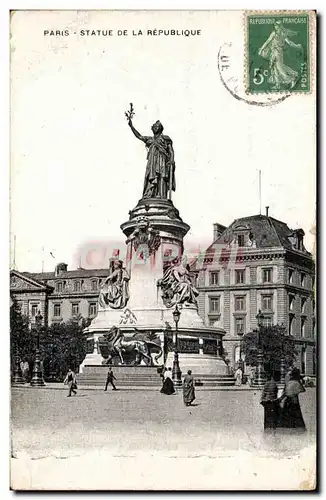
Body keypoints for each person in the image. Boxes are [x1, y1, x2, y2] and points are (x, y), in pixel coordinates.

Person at [127, 116, 176, 199]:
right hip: (152, 162)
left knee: (162, 176)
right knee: (151, 177)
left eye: (157, 126)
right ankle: (151, 194)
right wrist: (131, 126)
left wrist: (171, 160)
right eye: (154, 127)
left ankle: (161, 196)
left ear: (160, 128)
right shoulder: (150, 139)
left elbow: (171, 150)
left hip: (162, 160)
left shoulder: (165, 138)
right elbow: (139, 136)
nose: (155, 128)